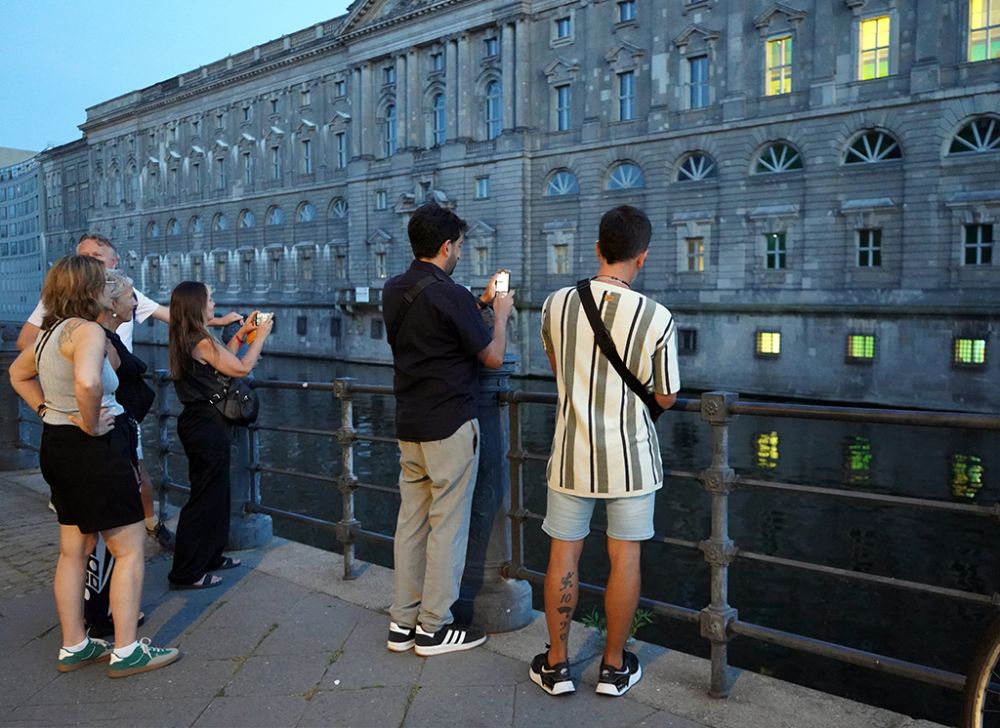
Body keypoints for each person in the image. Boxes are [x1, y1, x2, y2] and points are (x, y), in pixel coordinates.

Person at [529, 205, 680, 697]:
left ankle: (556, 665)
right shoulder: (657, 317)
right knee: (625, 558)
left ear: (597, 249)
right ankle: (614, 668)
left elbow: (558, 370)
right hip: (631, 460)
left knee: (563, 555)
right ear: (643, 257)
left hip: (571, 455)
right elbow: (666, 396)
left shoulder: (555, 304)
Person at [7, 255, 180, 677]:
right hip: (95, 449)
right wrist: (89, 423)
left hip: (57, 445)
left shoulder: (49, 333)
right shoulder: (86, 331)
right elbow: (88, 381)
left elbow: (16, 373)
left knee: (73, 550)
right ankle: (127, 651)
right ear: (89, 290)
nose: (109, 287)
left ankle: (75, 644)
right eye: (102, 281)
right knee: (129, 548)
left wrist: (46, 409)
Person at [17, 232, 242, 549]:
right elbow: (48, 361)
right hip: (88, 407)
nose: (90, 263)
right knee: (113, 530)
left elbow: (172, 315)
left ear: (114, 260)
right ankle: (123, 541)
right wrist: (63, 381)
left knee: (127, 477)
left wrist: (216, 321)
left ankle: (147, 525)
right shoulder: (75, 318)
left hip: (117, 401)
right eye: (84, 257)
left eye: (96, 257)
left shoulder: (125, 292)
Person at [381, 202, 515, 656]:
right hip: (450, 425)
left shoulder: (394, 289)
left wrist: (477, 303)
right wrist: (500, 314)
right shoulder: (451, 294)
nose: (459, 252)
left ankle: (402, 622)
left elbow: (435, 324)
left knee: (411, 525)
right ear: (444, 246)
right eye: (458, 246)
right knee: (447, 528)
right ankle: (434, 628)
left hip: (410, 424)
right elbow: (492, 357)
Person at [166, 281, 272, 589]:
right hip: (205, 426)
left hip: (201, 423)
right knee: (204, 499)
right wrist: (260, 337)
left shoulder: (190, 337)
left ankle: (211, 556)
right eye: (209, 299)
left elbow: (222, 361)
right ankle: (186, 572)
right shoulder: (199, 340)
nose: (213, 304)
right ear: (197, 305)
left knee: (216, 494)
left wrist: (242, 333)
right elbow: (239, 368)